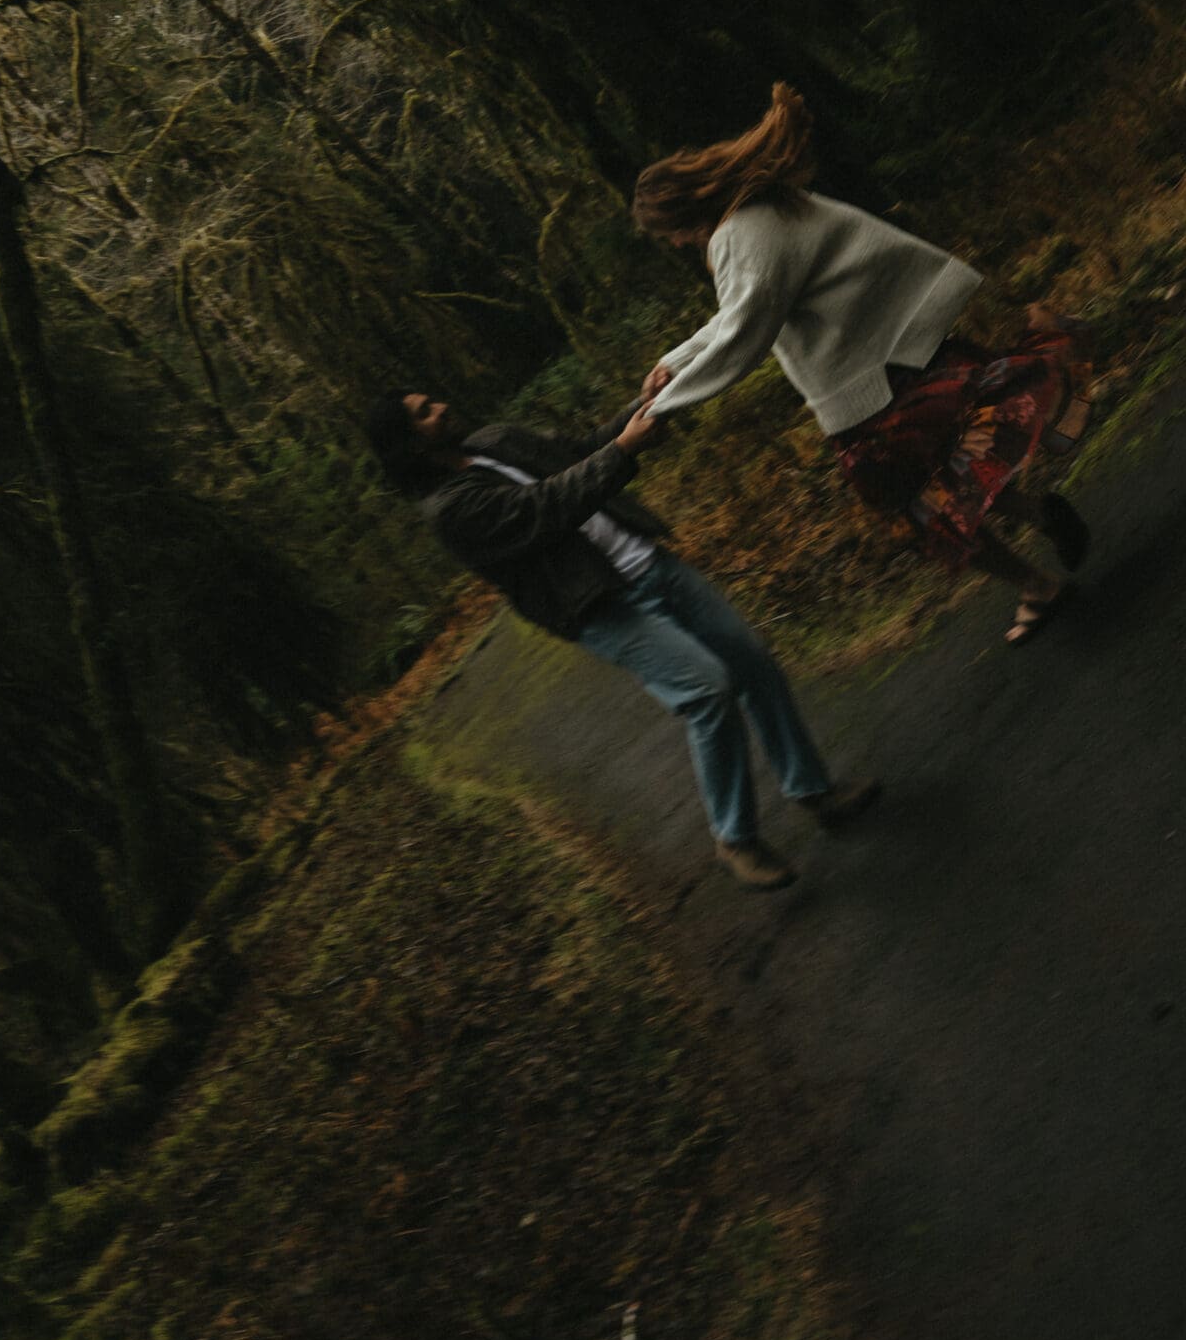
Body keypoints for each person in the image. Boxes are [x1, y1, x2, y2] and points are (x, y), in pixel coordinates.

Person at [364, 386, 880, 889]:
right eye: (425, 413)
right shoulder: (452, 510)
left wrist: (644, 403)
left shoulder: (494, 440)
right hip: (599, 605)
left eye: (433, 400)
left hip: (651, 565)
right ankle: (735, 839)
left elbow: (581, 450)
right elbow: (546, 507)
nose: (442, 407)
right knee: (707, 691)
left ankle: (813, 790)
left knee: (752, 662)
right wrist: (624, 450)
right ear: (410, 446)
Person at [634, 84, 1094, 643]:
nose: (677, 244)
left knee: (920, 508)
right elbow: (740, 314)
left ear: (683, 215)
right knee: (949, 474)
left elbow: (744, 333)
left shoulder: (739, 235)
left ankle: (1037, 584)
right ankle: (1041, 518)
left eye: (670, 233)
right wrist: (674, 362)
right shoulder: (765, 207)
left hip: (872, 389)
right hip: (900, 355)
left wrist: (665, 405)